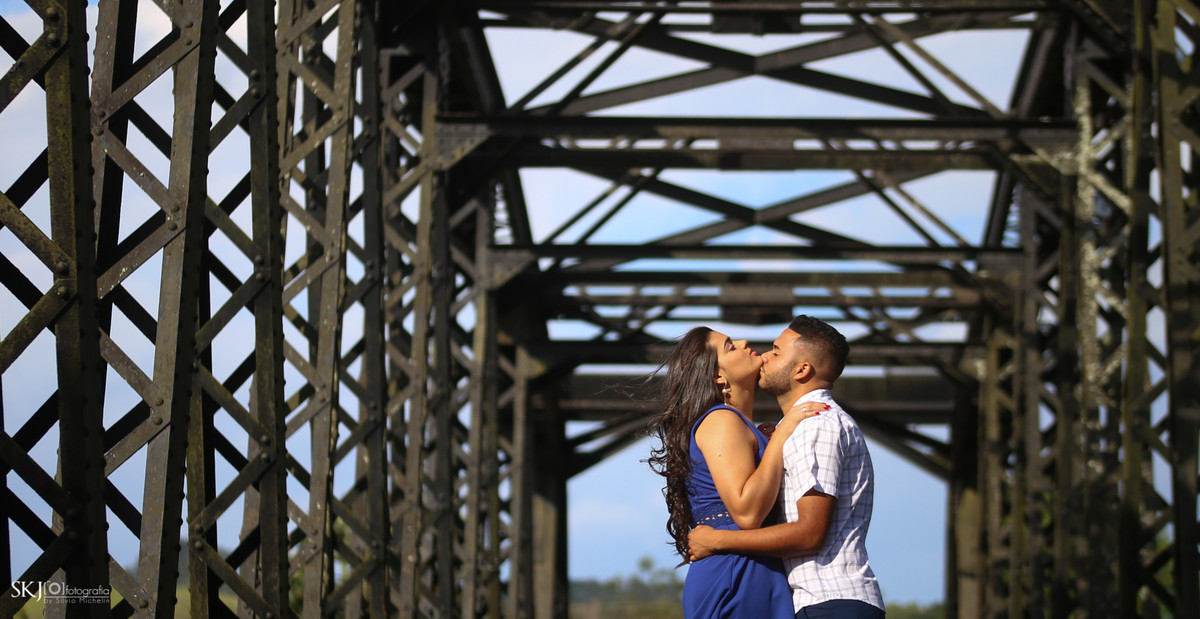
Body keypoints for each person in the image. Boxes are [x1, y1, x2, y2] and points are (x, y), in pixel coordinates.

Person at [687, 316, 885, 619]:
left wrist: (717, 540)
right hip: (813, 598)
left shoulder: (814, 424)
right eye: (730, 347)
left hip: (830, 600)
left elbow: (809, 534)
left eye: (776, 352)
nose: (763, 353)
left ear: (802, 369)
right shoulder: (795, 427)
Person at [646, 326, 827, 618]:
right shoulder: (721, 420)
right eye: (731, 346)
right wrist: (780, 438)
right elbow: (747, 513)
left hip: (753, 564)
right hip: (736, 571)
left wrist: (770, 438)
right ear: (718, 375)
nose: (744, 342)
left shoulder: (742, 426)